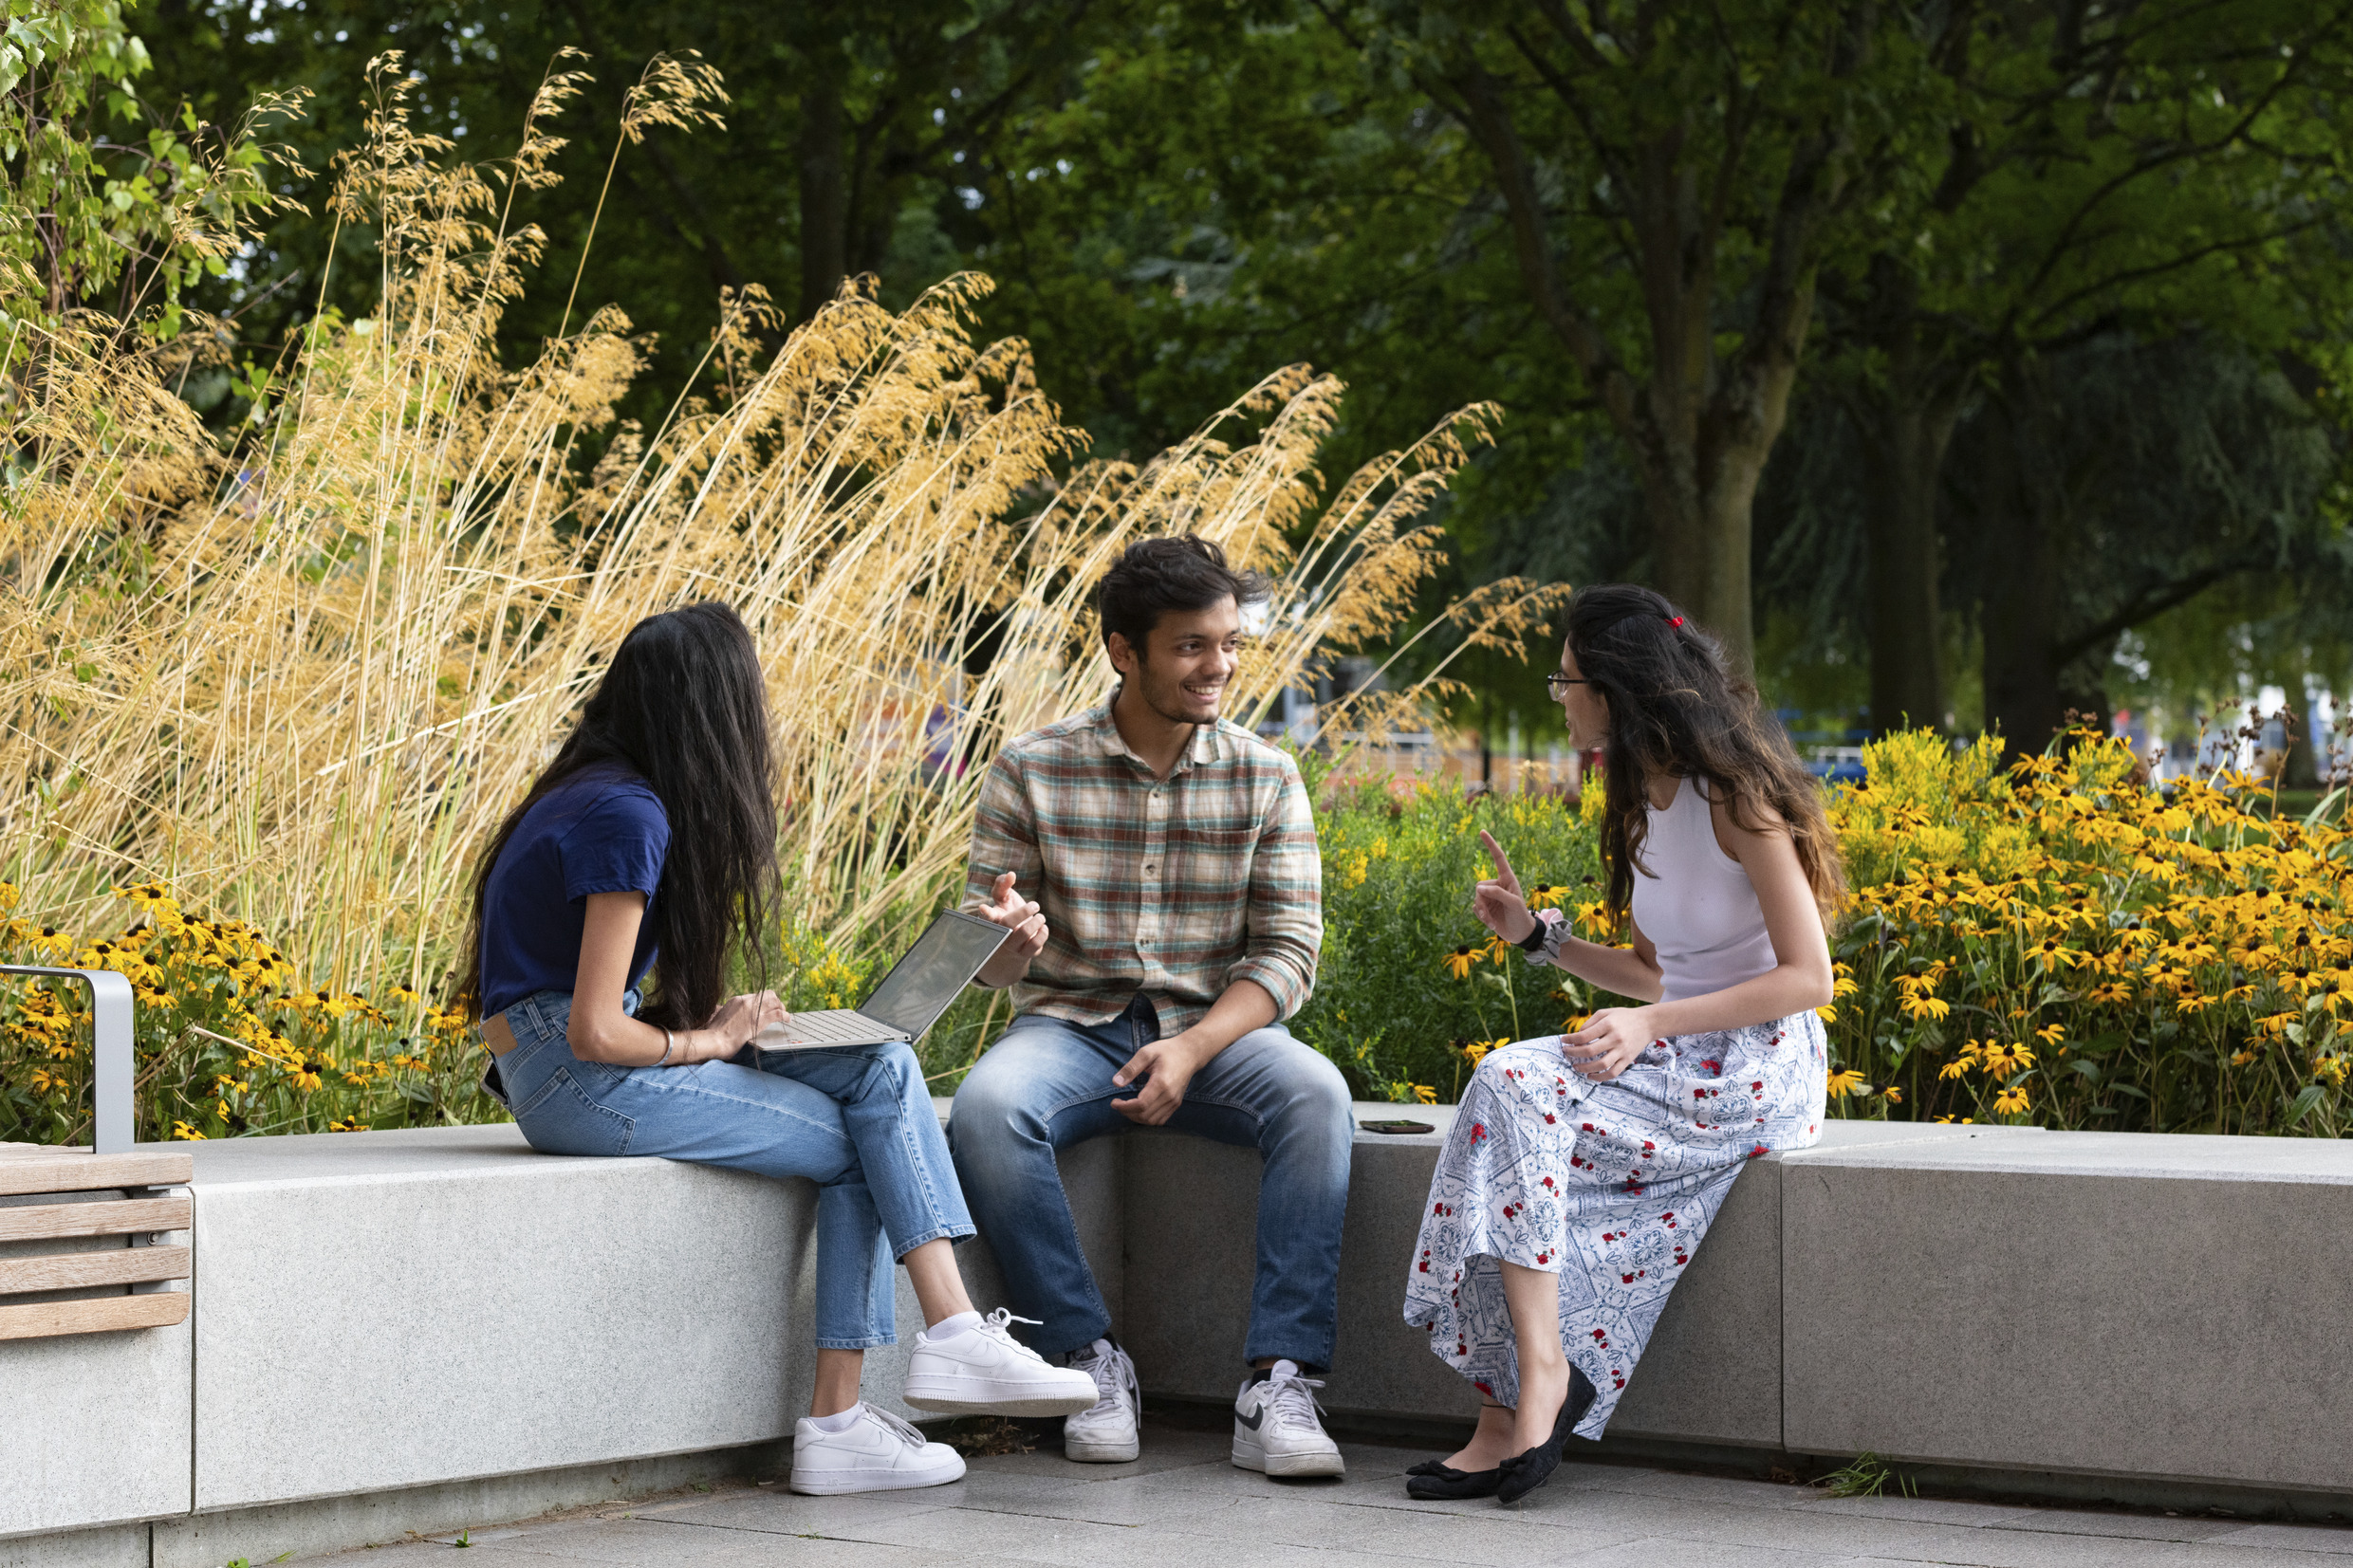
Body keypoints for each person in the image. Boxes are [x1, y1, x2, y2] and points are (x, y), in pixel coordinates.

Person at [462, 601, 1097, 1498]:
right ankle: (866, 1399)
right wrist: (710, 1037)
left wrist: (718, 1027)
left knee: (881, 1059)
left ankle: (924, 1358)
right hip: (583, 1080)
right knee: (865, 1142)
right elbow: (594, 1028)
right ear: (711, 712)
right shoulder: (627, 816)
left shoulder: (595, 793)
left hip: (565, 1067)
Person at [1402, 583, 1840, 1504]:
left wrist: (1649, 1027)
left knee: (1511, 1084)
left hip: (1755, 1064)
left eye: (1564, 680)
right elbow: (1654, 973)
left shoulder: (1737, 799)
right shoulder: (1641, 799)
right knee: (1504, 1109)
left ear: (1612, 688)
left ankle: (1534, 1384)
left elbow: (1808, 978)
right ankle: (1514, 1398)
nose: (1556, 696)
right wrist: (1537, 938)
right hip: (1679, 1054)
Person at [949, 536, 1354, 1478]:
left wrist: (1193, 1048)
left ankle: (1279, 1383)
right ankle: (1086, 1360)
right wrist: (1006, 943)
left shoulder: (1265, 776)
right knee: (985, 1109)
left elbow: (1290, 950)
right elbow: (987, 964)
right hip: (1070, 1025)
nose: (1217, 667)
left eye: (1227, 644)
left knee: (1316, 1099)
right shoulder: (1029, 768)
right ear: (1122, 651)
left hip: (1215, 1031)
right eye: (1189, 647)